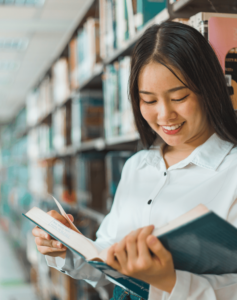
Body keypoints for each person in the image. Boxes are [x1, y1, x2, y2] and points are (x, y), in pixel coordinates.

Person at [32, 21, 237, 300]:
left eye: (179, 97)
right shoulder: (137, 167)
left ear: (208, 90)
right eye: (149, 101)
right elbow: (108, 260)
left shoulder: (231, 172)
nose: (164, 115)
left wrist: (169, 281)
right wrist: (70, 246)